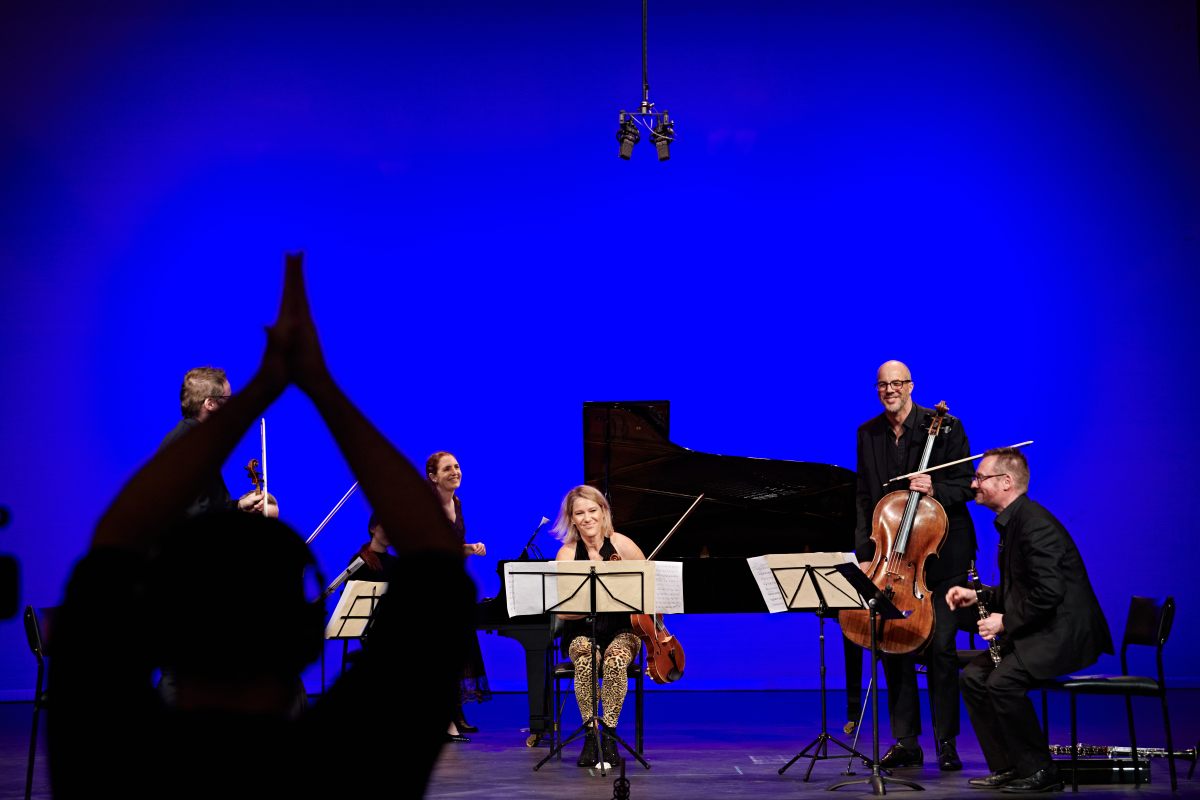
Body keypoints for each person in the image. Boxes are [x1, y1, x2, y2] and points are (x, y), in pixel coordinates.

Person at [48, 253, 474, 800]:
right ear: (300, 638)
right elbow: (438, 569)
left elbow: (114, 545)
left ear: (163, 622)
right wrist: (317, 385)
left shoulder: (119, 764)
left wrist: (259, 391)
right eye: (223, 404)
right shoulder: (344, 766)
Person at [947, 447, 1112, 792]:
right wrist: (978, 595)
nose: (974, 484)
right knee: (975, 677)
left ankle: (1041, 770)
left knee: (1002, 681)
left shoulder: (1034, 524)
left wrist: (1005, 622)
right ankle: (1009, 766)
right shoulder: (1015, 523)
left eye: (980, 477)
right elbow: (1021, 590)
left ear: (1006, 482)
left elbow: (1049, 593)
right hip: (1043, 627)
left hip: (1063, 634)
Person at [850, 360, 976, 771]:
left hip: (942, 557)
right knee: (893, 644)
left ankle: (946, 741)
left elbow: (968, 485)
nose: (890, 390)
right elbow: (865, 497)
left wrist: (935, 487)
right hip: (891, 559)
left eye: (897, 383)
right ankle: (907, 741)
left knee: (941, 649)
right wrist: (866, 554)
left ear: (910, 386)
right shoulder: (867, 433)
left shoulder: (946, 426)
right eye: (883, 385)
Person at [552, 485, 646, 770]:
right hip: (581, 630)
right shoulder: (566, 555)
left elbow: (649, 598)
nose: (587, 518)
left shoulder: (624, 545)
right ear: (571, 518)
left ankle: (610, 735)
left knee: (616, 661)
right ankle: (591, 734)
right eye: (579, 513)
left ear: (603, 512)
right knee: (585, 660)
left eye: (593, 510)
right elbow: (565, 614)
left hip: (623, 630)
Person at [425, 451, 490, 740]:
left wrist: (470, 547)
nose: (455, 471)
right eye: (447, 468)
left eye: (457, 466)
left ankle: (455, 715)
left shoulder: (457, 502)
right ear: (433, 477)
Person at [159, 366, 278, 518]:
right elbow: (196, 514)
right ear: (210, 404)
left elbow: (208, 504)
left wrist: (238, 506)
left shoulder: (193, 438)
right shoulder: (191, 444)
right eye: (228, 398)